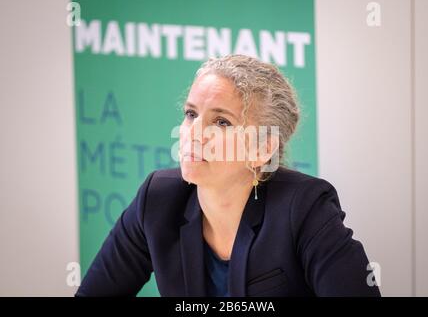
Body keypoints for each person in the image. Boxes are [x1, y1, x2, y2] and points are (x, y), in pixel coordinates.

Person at [76, 54, 381, 297]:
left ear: (262, 149)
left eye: (221, 122)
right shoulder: (157, 198)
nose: (193, 135)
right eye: (191, 114)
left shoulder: (303, 209)